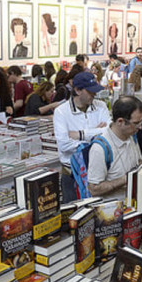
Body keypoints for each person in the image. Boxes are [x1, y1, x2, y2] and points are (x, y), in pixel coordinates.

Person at [53, 71, 111, 203]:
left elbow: (109, 133)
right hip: (72, 174)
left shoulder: (101, 106)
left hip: (99, 171)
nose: (94, 94)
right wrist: (97, 133)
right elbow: (64, 145)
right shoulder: (61, 112)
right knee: (73, 214)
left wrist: (81, 134)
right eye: (90, 91)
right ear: (78, 90)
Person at [87, 96, 142, 200]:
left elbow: (139, 161)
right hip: (113, 211)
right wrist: (127, 179)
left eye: (141, 122)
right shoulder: (100, 148)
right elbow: (94, 189)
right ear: (120, 122)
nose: (140, 127)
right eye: (136, 123)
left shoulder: (132, 137)